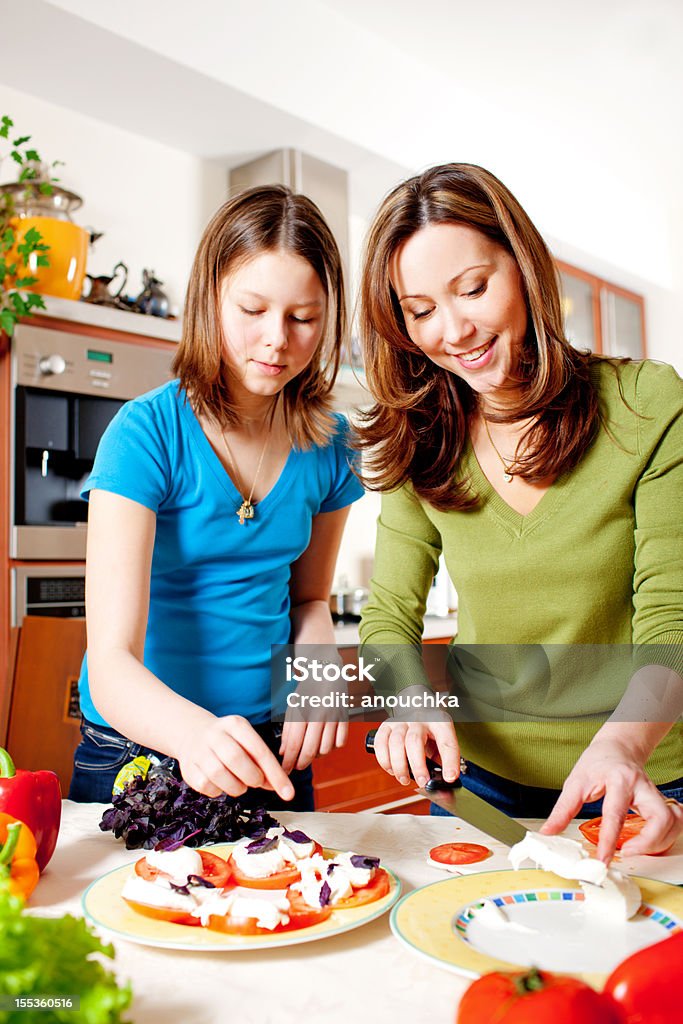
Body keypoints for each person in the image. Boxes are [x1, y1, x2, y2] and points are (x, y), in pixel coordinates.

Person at [357, 163, 683, 862]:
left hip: (643, 779)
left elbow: (671, 616)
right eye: (418, 310)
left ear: (524, 267)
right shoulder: (419, 439)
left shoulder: (647, 405)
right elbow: (388, 614)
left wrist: (623, 744)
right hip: (484, 790)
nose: (453, 330)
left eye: (472, 288)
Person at [69, 184, 363, 808]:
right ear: (210, 300)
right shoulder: (146, 434)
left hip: (268, 748)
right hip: (138, 752)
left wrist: (319, 668)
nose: (276, 340)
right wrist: (195, 736)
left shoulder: (332, 444)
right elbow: (112, 661)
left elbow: (308, 599)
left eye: (303, 318)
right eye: (251, 309)